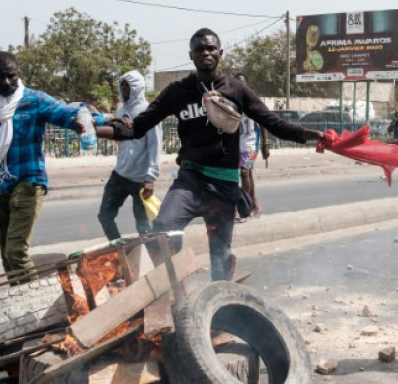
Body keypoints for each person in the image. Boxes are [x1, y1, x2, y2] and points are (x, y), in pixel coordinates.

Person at [97, 28, 324, 281]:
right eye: (199, 49)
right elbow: (138, 127)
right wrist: (98, 130)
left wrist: (311, 135)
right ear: (191, 55)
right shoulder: (177, 91)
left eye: (211, 48)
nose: (205, 52)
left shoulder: (236, 89)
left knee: (220, 254)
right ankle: (175, 288)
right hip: (190, 180)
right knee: (162, 231)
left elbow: (274, 123)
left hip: (225, 185)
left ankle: (221, 306)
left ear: (220, 53)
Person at [0, 52, 86, 281]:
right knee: (6, 255)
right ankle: (18, 303)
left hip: (29, 180)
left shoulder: (34, 100)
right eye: (0, 77)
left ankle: (34, 304)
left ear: (18, 73)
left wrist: (94, 120)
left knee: (16, 251)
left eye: (11, 76)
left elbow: (65, 114)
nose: (7, 82)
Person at [97, 70, 162, 241]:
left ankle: (157, 262)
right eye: (123, 85)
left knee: (143, 227)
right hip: (119, 174)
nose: (125, 89)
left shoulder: (148, 111)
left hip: (140, 179)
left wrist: (151, 177)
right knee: (105, 215)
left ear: (137, 87)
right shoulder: (120, 112)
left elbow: (155, 145)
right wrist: (112, 122)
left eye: (128, 86)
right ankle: (120, 252)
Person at [233, 73, 269, 218]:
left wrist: (265, 144)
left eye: (242, 83)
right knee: (247, 175)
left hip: (250, 144)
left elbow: (263, 122)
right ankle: (255, 204)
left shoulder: (253, 102)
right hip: (235, 145)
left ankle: (244, 207)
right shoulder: (230, 103)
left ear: (247, 85)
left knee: (244, 172)